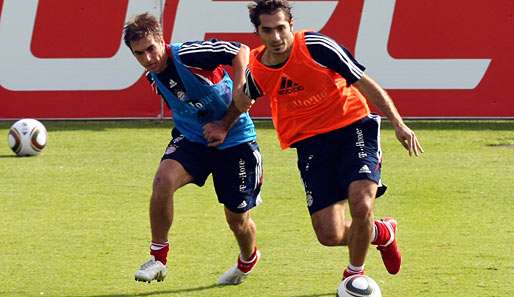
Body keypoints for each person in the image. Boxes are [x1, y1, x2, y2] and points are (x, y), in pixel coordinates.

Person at [241, 0, 423, 290]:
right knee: (329, 233)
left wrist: (398, 123)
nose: (276, 37)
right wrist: (222, 124)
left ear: (291, 25)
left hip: (354, 128)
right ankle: (382, 233)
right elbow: (243, 99)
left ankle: (354, 275)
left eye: (281, 28)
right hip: (311, 144)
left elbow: (364, 82)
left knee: (361, 204)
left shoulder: (315, 46)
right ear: (258, 32)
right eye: (267, 30)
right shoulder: (258, 67)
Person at [123, 12, 263, 285]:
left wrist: (239, 89)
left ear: (162, 41)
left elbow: (240, 50)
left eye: (152, 48)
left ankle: (248, 258)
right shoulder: (153, 77)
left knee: (237, 220)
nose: (148, 58)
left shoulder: (189, 55)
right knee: (163, 181)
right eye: (139, 54)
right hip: (194, 140)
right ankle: (158, 258)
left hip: (237, 142)